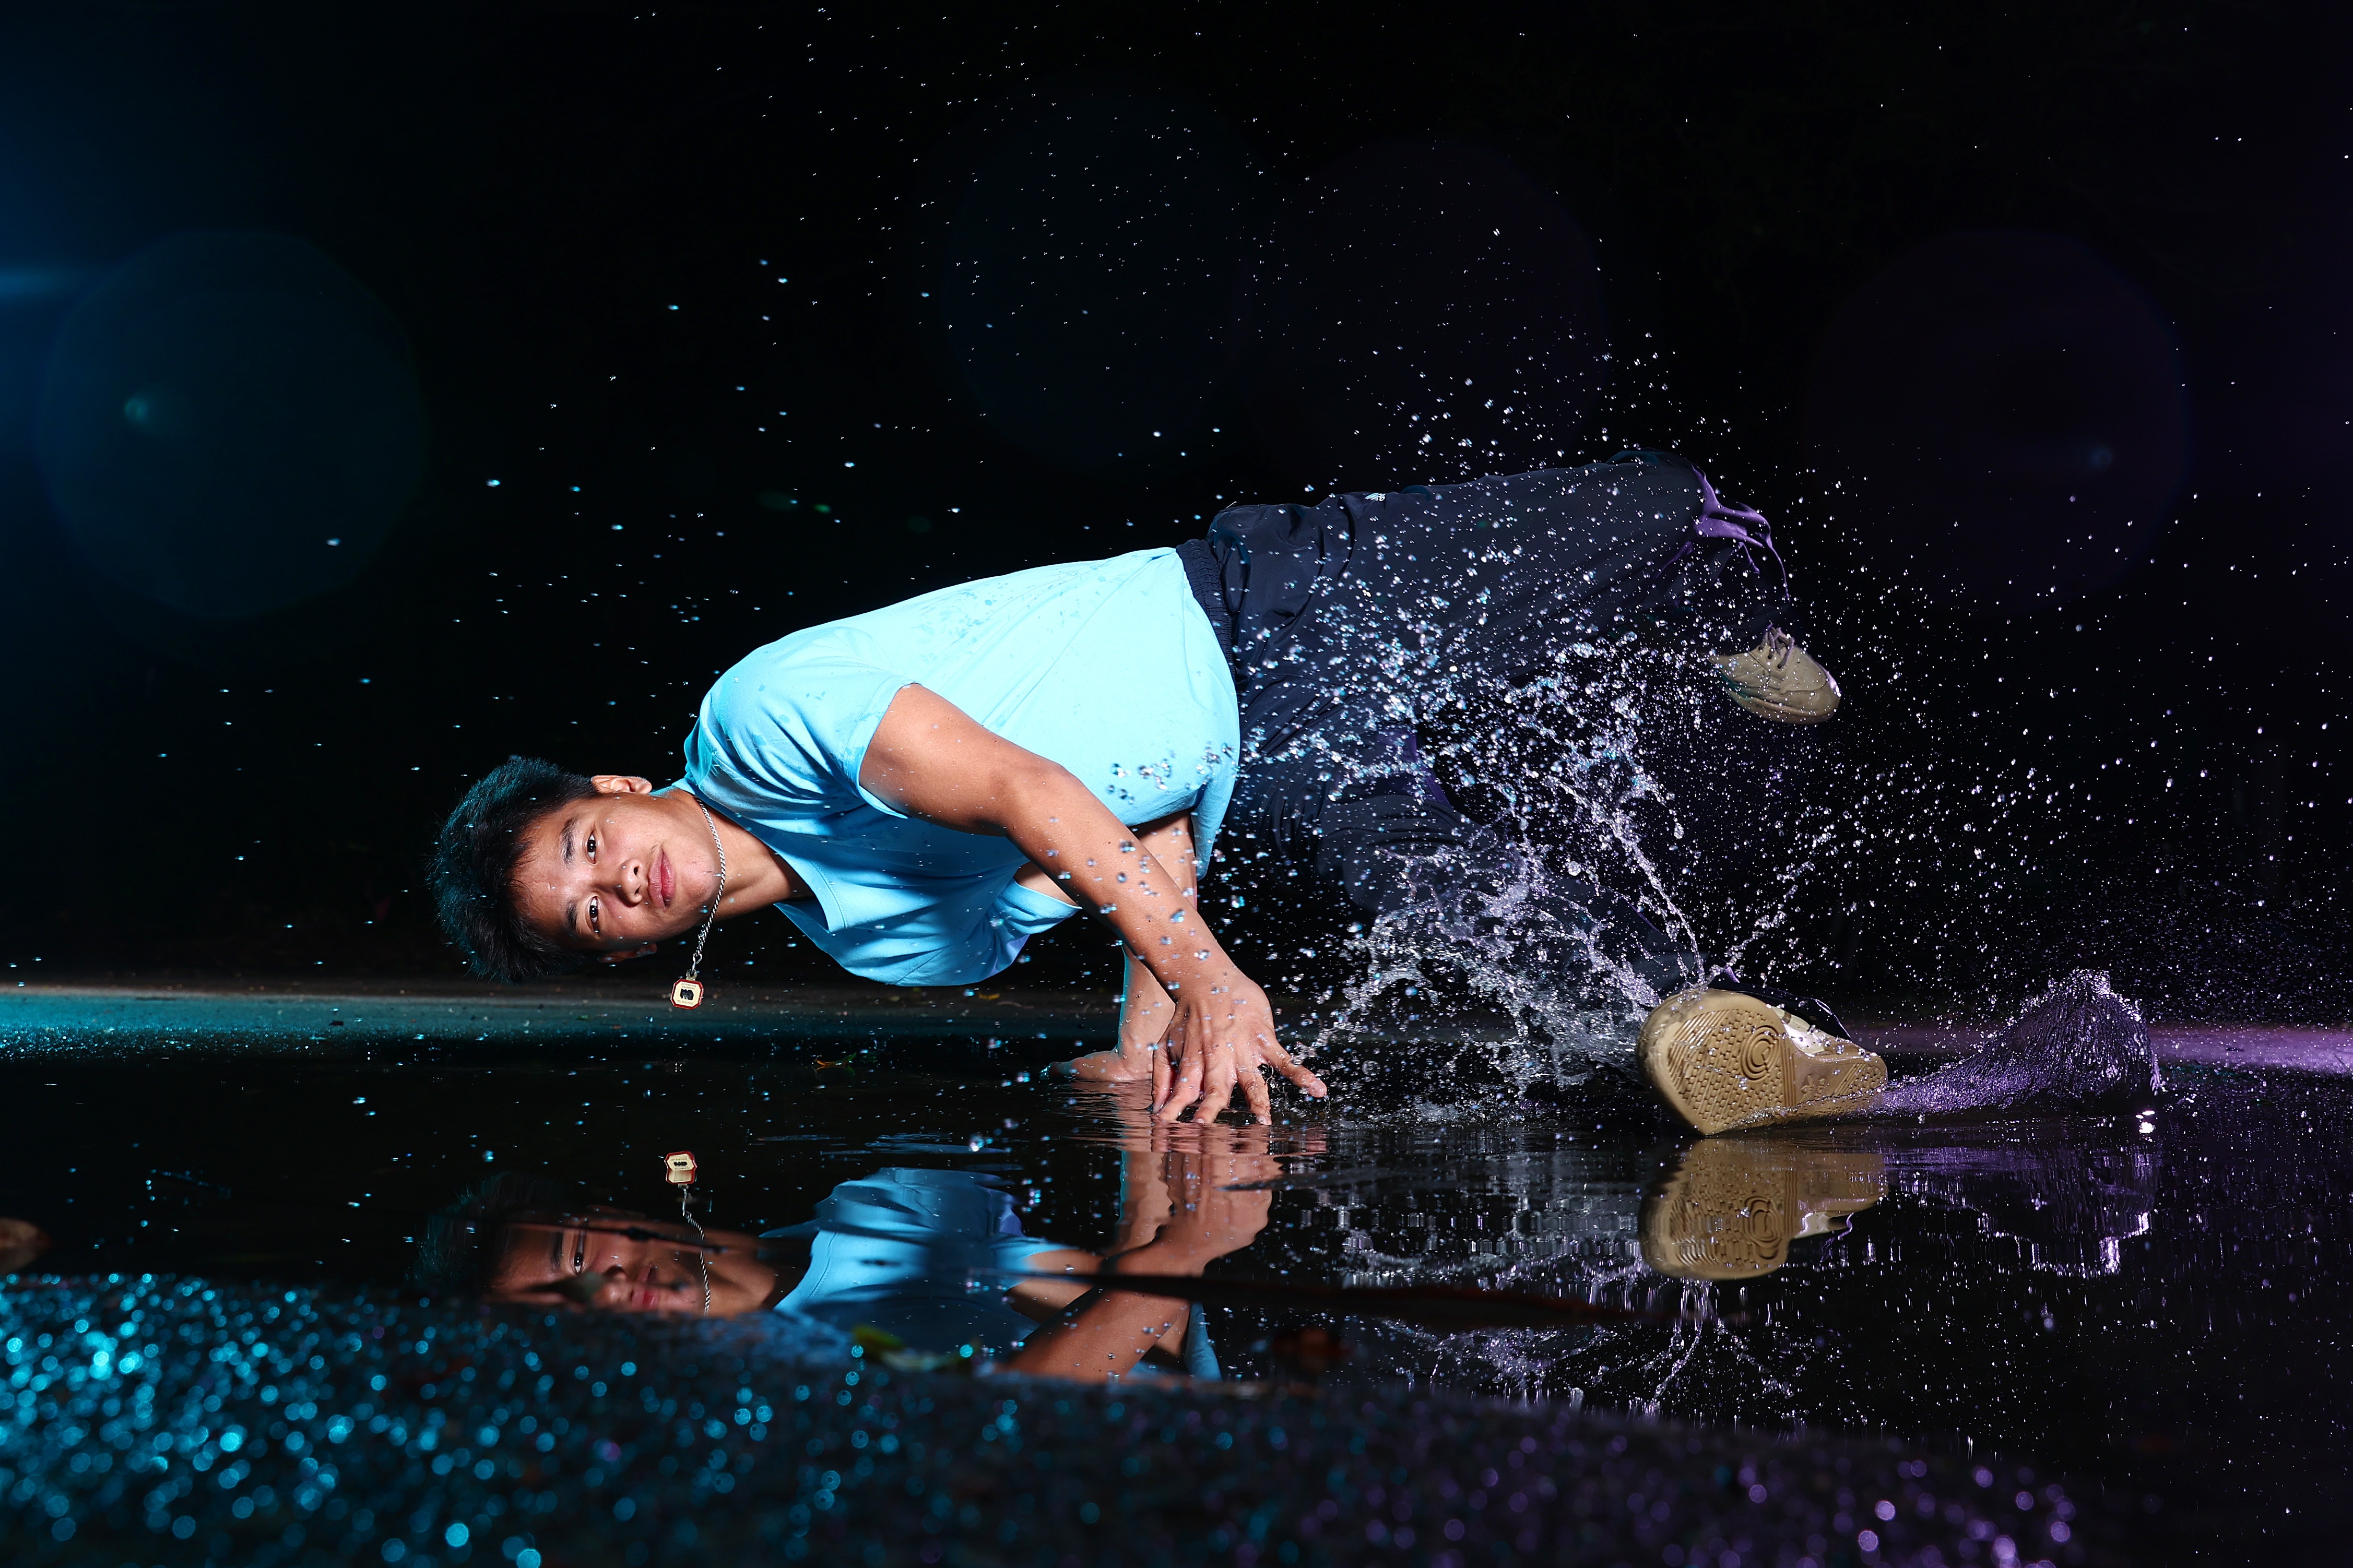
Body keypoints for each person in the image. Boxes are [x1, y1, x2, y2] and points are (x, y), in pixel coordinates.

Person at [431, 452, 1877, 1131]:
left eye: (587, 843)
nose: (616, 885)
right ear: (626, 953)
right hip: (1268, 766)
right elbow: (1135, 857)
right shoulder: (877, 945)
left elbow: (1026, 789)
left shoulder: (756, 721)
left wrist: (1209, 982)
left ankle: (1713, 611)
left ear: (618, 787)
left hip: (1266, 607)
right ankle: (1757, 1051)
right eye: (590, 916)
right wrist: (1159, 1043)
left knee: (1656, 516)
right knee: (1438, 892)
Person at [411, 1116, 1283, 1382]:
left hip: (1243, 1352)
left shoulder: (891, 1196)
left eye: (572, 1256)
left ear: (605, 1212)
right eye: (562, 1314)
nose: (597, 1287)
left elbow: (1096, 1276)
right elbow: (1019, 1410)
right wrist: (1190, 1257)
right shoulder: (779, 1389)